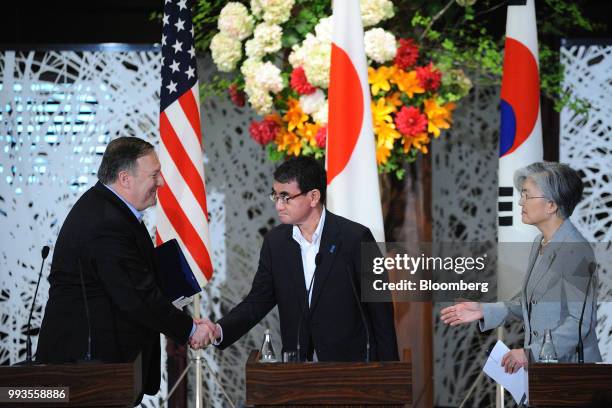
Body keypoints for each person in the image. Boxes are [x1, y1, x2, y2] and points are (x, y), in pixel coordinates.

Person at [36, 137, 213, 403]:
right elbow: (136, 297)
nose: (161, 182)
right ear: (125, 178)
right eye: (154, 174)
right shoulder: (106, 222)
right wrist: (189, 329)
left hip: (102, 369)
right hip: (86, 371)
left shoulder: (111, 211)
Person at [199, 156, 398, 361]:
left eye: (286, 197)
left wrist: (389, 375)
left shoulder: (355, 238)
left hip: (351, 368)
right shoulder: (275, 243)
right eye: (275, 196)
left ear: (313, 197)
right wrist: (220, 330)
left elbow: (380, 313)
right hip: (297, 369)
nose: (278, 205)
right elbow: (258, 300)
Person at [441, 162, 601, 372]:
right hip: (543, 370)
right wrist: (483, 310)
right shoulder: (539, 244)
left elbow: (579, 323)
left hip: (570, 372)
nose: (520, 202)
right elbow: (532, 304)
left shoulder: (576, 250)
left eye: (527, 195)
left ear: (551, 205)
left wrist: (531, 353)